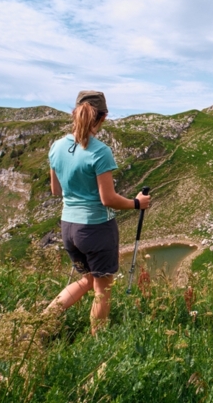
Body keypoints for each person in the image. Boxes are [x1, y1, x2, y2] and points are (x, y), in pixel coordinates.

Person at [45, 90, 150, 334]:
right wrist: (137, 203)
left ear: (75, 113)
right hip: (95, 229)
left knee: (88, 280)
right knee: (103, 288)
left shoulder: (56, 147)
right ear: (102, 117)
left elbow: (55, 190)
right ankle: (98, 342)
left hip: (68, 227)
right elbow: (108, 199)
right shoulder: (100, 151)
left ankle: (42, 320)